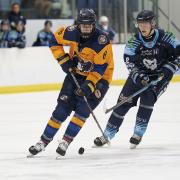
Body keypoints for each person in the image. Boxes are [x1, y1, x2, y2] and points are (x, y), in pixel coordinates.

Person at [28, 8, 114, 157]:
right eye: (83, 24)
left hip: (100, 79)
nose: (86, 27)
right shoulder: (71, 31)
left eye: (89, 25)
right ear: (78, 24)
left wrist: (89, 85)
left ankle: (65, 141)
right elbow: (54, 40)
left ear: (94, 25)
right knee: (61, 109)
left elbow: (100, 68)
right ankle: (42, 142)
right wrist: (63, 61)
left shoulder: (102, 41)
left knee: (82, 112)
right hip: (75, 73)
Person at [94, 10, 180, 149]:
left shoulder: (167, 38)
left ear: (152, 23)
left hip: (159, 78)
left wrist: (169, 68)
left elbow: (178, 56)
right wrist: (138, 77)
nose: (142, 27)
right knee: (122, 104)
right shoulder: (134, 42)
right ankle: (107, 134)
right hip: (139, 76)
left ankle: (138, 134)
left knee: (147, 102)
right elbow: (129, 62)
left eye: (145, 23)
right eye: (140, 23)